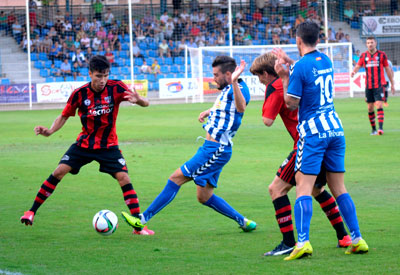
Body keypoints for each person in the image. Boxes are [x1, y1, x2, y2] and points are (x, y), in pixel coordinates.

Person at [121, 56, 257, 234]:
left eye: (216, 75)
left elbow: (241, 108)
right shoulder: (227, 90)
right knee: (203, 197)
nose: (213, 78)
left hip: (215, 150)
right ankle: (243, 222)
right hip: (214, 149)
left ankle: (141, 220)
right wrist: (209, 111)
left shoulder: (239, 89)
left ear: (229, 74)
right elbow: (227, 107)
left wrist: (234, 83)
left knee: (176, 178)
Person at [20, 55, 154, 235]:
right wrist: (50, 131)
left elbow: (146, 104)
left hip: (108, 145)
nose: (102, 80)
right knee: (59, 172)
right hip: (84, 144)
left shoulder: (116, 87)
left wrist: (140, 100)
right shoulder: (79, 94)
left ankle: (138, 226)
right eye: (99, 76)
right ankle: (31, 212)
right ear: (90, 73)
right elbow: (64, 115)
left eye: (105, 75)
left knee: (124, 178)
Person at [274, 21, 369, 260]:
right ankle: (357, 239)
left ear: (298, 40)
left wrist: (285, 76)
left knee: (304, 188)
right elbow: (308, 70)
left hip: (313, 132)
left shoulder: (299, 68)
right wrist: (291, 64)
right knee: (339, 188)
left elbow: (291, 103)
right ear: (318, 39)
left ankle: (303, 242)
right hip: (335, 129)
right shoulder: (325, 60)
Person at [250, 52, 352, 257]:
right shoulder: (297, 77)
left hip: (305, 142)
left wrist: (270, 95)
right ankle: (344, 236)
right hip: (325, 135)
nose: (260, 82)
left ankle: (289, 242)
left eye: (259, 77)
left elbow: (267, 120)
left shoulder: (275, 86)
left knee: (276, 189)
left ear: (266, 73)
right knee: (316, 188)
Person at [351, 37, 395, 135]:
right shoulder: (363, 56)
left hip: (379, 85)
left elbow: (387, 69)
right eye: (368, 43)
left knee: (379, 104)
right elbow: (358, 66)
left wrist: (392, 83)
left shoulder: (382, 55)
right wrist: (354, 72)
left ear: (375, 43)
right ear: (366, 44)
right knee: (370, 108)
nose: (370, 44)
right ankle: (373, 129)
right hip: (368, 86)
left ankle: (380, 128)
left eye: (372, 42)